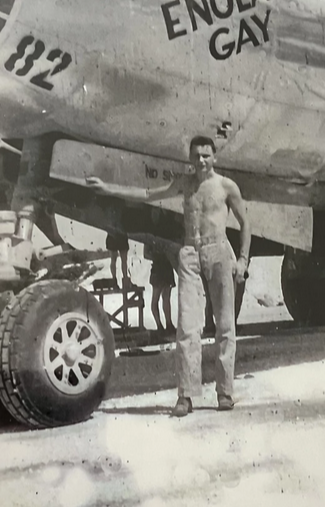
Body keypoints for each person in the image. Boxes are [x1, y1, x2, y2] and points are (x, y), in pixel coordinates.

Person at [86, 135, 251, 416]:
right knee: (187, 326)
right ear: (189, 157)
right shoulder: (184, 184)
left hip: (220, 253)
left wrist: (243, 260)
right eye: (196, 155)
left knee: (225, 325)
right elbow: (149, 194)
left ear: (215, 157)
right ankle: (186, 396)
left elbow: (245, 222)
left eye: (206, 155)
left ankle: (225, 392)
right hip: (189, 254)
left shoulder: (226, 186)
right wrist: (108, 189)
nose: (201, 160)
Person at [149, 253, 176, 334]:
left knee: (166, 298)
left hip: (165, 267)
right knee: (156, 298)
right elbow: (146, 254)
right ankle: (160, 325)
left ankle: (168, 324)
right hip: (158, 267)